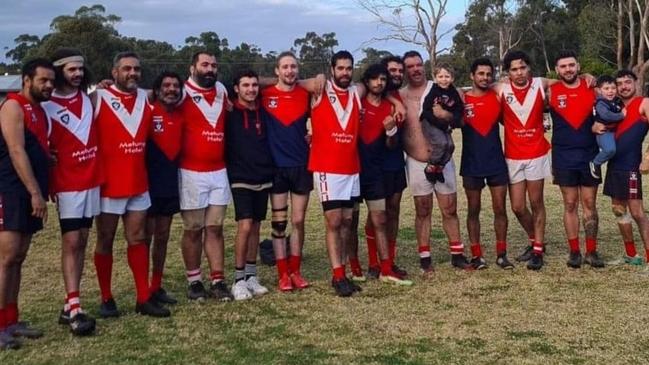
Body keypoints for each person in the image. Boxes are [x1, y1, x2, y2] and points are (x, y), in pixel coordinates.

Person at [92, 52, 170, 318]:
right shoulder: (98, 97)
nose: (132, 73)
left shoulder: (146, 98)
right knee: (106, 239)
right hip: (109, 184)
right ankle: (106, 297)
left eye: (136, 69)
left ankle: (142, 297)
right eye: (126, 69)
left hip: (138, 181)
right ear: (114, 72)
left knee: (137, 238)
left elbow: (176, 93)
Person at [42, 48, 99, 335]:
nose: (77, 74)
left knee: (83, 240)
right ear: (58, 71)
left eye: (80, 69)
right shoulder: (46, 104)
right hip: (66, 184)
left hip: (91, 181)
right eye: (71, 69)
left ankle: (71, 304)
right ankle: (74, 307)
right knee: (72, 241)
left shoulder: (89, 97)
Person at [400, 50, 472, 275]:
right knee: (423, 210)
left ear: (425, 66)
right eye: (410, 66)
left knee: (449, 208)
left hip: (444, 161)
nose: (415, 69)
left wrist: (446, 116)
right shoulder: (400, 96)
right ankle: (424, 257)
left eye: (418, 64)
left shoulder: (441, 88)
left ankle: (457, 254)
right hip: (417, 161)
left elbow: (460, 119)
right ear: (404, 70)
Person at [0, 58, 53, 350]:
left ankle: (11, 319)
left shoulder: (40, 111)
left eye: (51, 81)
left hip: (31, 191)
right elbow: (16, 150)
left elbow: (36, 148)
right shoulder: (13, 106)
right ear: (26, 79)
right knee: (6, 259)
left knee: (19, 257)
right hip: (12, 191)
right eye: (43, 80)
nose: (48, 86)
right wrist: (34, 192)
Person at [177, 51, 233, 302]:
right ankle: (194, 280)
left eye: (214, 65)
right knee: (193, 228)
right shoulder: (180, 92)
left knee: (215, 227)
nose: (210, 69)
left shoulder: (221, 89)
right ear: (192, 68)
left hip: (219, 171)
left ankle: (218, 280)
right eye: (205, 65)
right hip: (191, 172)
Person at [309, 50, 363, 297]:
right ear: (332, 69)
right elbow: (290, 82)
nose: (344, 72)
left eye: (348, 68)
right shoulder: (319, 90)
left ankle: (342, 273)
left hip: (351, 167)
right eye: (340, 68)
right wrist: (316, 78)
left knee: (348, 222)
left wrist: (395, 103)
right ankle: (338, 274)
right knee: (333, 221)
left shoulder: (356, 92)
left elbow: (382, 87)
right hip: (327, 168)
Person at [494, 50, 553, 270]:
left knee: (537, 203)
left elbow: (568, 82)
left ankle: (537, 250)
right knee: (518, 207)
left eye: (522, 67)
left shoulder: (541, 83)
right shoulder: (501, 88)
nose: (519, 73)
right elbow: (475, 90)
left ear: (529, 68)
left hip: (536, 153)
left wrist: (586, 77)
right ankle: (535, 240)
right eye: (514, 69)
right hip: (512, 155)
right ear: (507, 72)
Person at [355, 63, 412, 286]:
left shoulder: (396, 99)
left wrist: (391, 128)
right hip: (370, 165)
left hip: (393, 162)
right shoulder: (363, 97)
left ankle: (389, 261)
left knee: (392, 211)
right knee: (372, 214)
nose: (396, 74)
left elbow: (394, 138)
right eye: (392, 72)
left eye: (400, 71)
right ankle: (372, 263)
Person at [547, 50, 603, 269]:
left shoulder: (593, 89)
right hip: (563, 155)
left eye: (571, 65)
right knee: (570, 203)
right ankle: (574, 251)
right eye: (563, 66)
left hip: (590, 155)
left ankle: (591, 251)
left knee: (589, 203)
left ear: (578, 66)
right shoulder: (550, 92)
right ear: (556, 69)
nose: (568, 69)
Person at [262, 52, 311, 292]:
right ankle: (283, 274)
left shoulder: (306, 94)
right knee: (279, 224)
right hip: (276, 168)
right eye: (285, 67)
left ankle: (296, 270)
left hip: (301, 165)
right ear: (276, 71)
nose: (290, 71)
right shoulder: (265, 94)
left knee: (298, 221)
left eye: (293, 67)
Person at [225, 69, 273, 300]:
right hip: (240, 177)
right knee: (244, 226)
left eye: (254, 85)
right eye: (245, 85)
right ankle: (238, 280)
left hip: (263, 176)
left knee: (255, 227)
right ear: (236, 88)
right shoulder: (229, 110)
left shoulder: (263, 109)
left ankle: (252, 276)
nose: (251, 89)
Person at [460, 58, 512, 270]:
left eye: (488, 74)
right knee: (474, 209)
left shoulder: (498, 96)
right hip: (471, 163)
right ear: (472, 76)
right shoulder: (461, 99)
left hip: (495, 161)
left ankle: (501, 254)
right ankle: (476, 255)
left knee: (500, 209)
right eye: (480, 74)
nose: (485, 78)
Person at [595, 70, 649, 266]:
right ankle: (631, 254)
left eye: (628, 82)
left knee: (637, 212)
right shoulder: (613, 107)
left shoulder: (644, 103)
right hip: (614, 166)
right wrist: (595, 127)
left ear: (636, 82)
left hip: (631, 166)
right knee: (619, 210)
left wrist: (648, 157)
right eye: (619, 84)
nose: (624, 86)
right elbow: (600, 126)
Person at [145, 71, 184, 304]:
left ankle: (156, 286)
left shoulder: (181, 114)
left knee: (162, 236)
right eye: (166, 85)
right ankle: (143, 289)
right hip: (148, 184)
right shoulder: (147, 111)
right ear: (157, 90)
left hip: (170, 184)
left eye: (175, 86)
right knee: (145, 238)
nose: (171, 89)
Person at [420, 64, 464, 183]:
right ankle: (430, 168)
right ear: (435, 78)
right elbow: (426, 110)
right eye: (440, 76)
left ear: (452, 78)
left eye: (447, 76)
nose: (444, 80)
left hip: (444, 123)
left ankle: (439, 169)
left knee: (450, 146)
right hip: (429, 121)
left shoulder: (453, 92)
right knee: (441, 143)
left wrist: (452, 122)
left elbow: (459, 110)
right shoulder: (433, 91)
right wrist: (442, 125)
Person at [589, 75, 625, 179]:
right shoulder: (601, 102)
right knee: (610, 150)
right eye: (606, 88)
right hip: (604, 132)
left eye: (613, 88)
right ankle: (595, 162)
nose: (610, 91)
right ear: (600, 90)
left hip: (613, 131)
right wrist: (622, 115)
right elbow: (606, 116)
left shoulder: (615, 101)